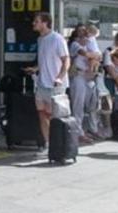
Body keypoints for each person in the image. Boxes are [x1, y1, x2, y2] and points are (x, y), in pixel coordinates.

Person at [26, 12, 68, 152]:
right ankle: (48, 144)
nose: (34, 23)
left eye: (36, 21)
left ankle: (57, 146)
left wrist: (60, 77)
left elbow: (66, 60)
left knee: (52, 116)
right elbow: (45, 60)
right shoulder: (40, 39)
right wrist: (35, 68)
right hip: (42, 83)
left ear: (45, 23)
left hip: (54, 85)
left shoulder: (57, 39)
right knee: (42, 113)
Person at [68, 24, 102, 138]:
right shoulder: (75, 44)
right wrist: (95, 55)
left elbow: (99, 56)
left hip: (89, 76)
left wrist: (95, 56)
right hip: (78, 75)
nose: (84, 35)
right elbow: (87, 54)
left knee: (92, 104)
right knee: (78, 105)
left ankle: (92, 128)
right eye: (81, 33)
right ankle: (79, 132)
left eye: (85, 32)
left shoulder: (91, 43)